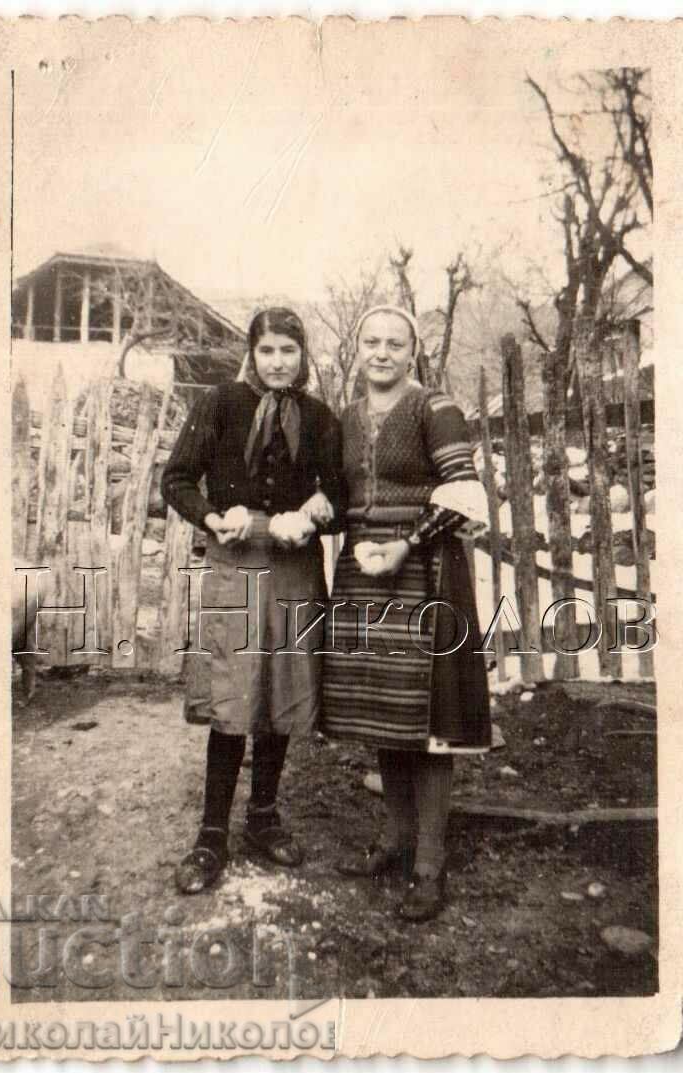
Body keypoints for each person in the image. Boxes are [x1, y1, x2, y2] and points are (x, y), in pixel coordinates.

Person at [162, 308, 343, 894]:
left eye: (289, 350)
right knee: (235, 695)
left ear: (303, 354)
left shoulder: (319, 417)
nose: (278, 362)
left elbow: (338, 487)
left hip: (294, 567)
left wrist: (313, 513)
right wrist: (215, 516)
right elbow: (177, 479)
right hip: (235, 563)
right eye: (267, 350)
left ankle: (263, 818)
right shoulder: (220, 403)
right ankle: (211, 835)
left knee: (283, 691)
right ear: (252, 353)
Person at [322, 305, 491, 923]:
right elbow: (343, 500)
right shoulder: (346, 418)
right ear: (358, 349)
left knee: (428, 718)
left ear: (413, 350)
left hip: (425, 571)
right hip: (361, 574)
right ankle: (394, 841)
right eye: (372, 342)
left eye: (396, 343)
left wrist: (407, 545)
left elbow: (462, 490)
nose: (383, 353)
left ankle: (429, 862)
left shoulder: (434, 407)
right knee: (380, 711)